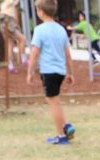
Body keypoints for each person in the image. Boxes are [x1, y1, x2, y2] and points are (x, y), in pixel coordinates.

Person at [26, 0, 75, 146]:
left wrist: (30, 72)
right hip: (60, 71)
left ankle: (61, 136)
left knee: (52, 103)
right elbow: (68, 55)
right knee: (56, 100)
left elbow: (34, 54)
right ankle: (66, 126)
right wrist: (71, 73)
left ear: (41, 12)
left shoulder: (39, 30)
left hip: (48, 71)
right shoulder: (61, 30)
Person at [0, 0, 27, 73]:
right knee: (22, 39)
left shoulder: (2, 4)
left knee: (10, 44)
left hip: (4, 21)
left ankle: (10, 66)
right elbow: (15, 2)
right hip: (8, 20)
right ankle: (24, 59)